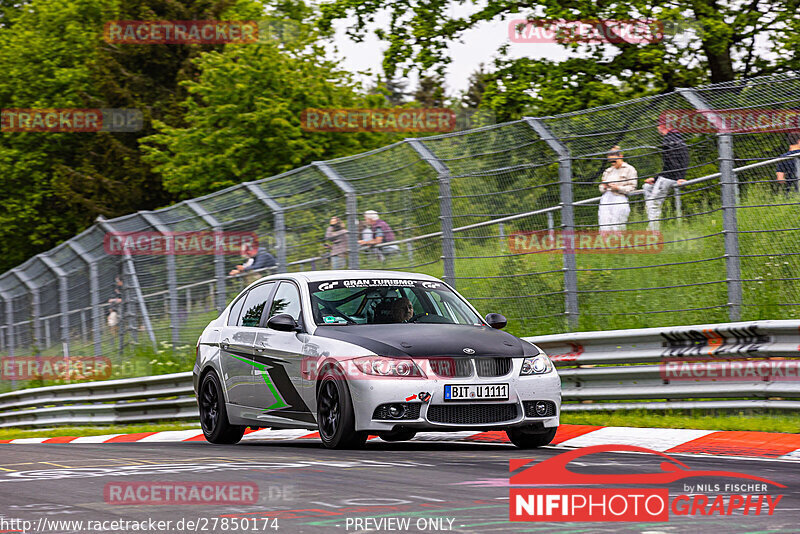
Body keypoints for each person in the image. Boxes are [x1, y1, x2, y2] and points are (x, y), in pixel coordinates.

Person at [643, 124, 690, 230]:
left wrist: (680, 177)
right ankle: (652, 226)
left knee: (654, 203)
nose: (657, 128)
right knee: (647, 187)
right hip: (669, 176)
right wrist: (655, 179)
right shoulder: (677, 138)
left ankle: (653, 231)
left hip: (670, 177)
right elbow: (672, 163)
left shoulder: (668, 140)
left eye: (658, 125)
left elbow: (673, 161)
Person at [598, 146, 638, 232]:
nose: (612, 163)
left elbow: (632, 187)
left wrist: (618, 188)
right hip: (606, 199)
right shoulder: (608, 171)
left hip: (619, 197)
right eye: (610, 161)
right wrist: (604, 186)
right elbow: (601, 188)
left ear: (620, 156)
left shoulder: (629, 169)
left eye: (614, 161)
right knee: (604, 223)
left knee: (618, 223)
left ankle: (619, 243)